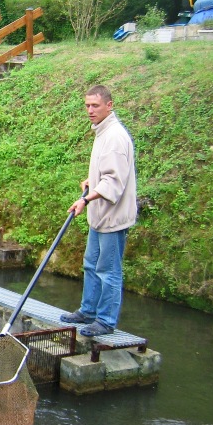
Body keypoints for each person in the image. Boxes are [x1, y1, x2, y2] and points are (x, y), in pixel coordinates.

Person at [60, 85, 137, 337]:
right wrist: (90, 180)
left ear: (109, 105)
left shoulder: (114, 136)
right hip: (100, 216)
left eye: (95, 105)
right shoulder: (102, 132)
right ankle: (88, 310)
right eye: (87, 105)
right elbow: (106, 171)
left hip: (113, 218)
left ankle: (105, 320)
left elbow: (114, 181)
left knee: (109, 270)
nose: (90, 110)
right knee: (91, 264)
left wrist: (85, 200)